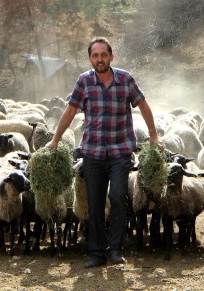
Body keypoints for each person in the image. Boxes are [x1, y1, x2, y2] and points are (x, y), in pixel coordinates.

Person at [46, 37, 162, 268]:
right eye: (95, 55)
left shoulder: (125, 79)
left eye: (103, 54)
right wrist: (55, 140)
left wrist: (153, 135)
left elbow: (143, 105)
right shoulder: (84, 82)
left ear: (111, 56)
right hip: (93, 153)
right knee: (95, 203)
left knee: (119, 197)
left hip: (120, 151)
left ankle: (115, 249)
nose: (100, 59)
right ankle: (96, 252)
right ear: (90, 58)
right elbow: (70, 112)